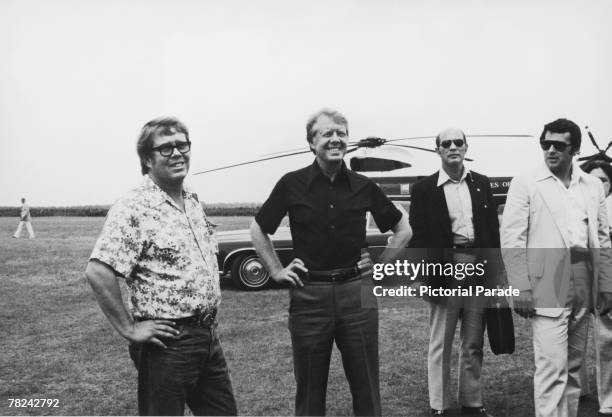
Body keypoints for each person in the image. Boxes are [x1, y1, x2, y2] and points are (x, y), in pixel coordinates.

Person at [250, 108, 412, 416]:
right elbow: (258, 227)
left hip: (356, 295)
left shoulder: (364, 186)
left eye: (341, 133)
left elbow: (403, 230)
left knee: (366, 385)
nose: (335, 139)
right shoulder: (291, 184)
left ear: (348, 141)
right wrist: (275, 270)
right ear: (311, 143)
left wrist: (380, 267)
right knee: (310, 391)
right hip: (309, 295)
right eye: (327, 133)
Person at [85, 117, 237, 416]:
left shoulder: (191, 199)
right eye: (166, 148)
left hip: (206, 337)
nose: (177, 153)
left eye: (182, 145)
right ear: (147, 159)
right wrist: (129, 328)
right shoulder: (134, 207)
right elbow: (98, 271)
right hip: (167, 344)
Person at [501, 118, 612, 417]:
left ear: (574, 149)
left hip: (583, 280)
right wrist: (521, 286)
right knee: (551, 369)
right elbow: (512, 239)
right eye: (545, 144)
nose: (550, 150)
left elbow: (602, 239)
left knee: (575, 369)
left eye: (559, 145)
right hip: (545, 284)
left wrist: (605, 285)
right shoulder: (525, 182)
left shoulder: (591, 186)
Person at [408, 128, 500, 417]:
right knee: (441, 340)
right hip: (444, 269)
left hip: (479, 265)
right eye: (445, 143)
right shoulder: (424, 189)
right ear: (438, 150)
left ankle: (472, 402)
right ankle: (441, 405)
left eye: (457, 142)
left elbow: (492, 233)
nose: (452, 147)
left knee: (473, 339)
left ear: (466, 147)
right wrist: (421, 277)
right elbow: (418, 238)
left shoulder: (482, 183)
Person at [579, 159, 612, 415]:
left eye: (603, 180)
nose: (598, 185)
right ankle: (594, 394)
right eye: (594, 180)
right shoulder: (580, 207)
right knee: (594, 339)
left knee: (606, 340)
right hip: (589, 279)